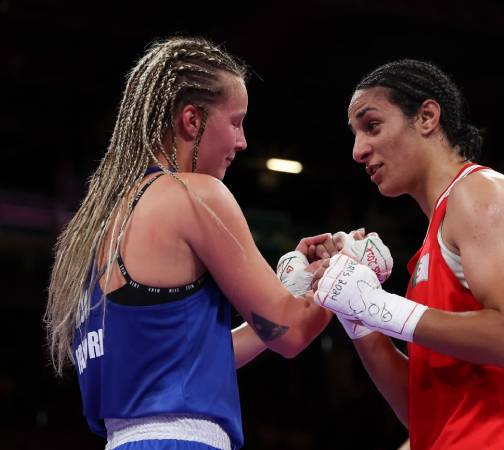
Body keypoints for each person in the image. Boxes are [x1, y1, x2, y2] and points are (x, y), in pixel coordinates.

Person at [44, 36, 333, 450]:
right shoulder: (196, 194)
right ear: (192, 120)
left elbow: (189, 358)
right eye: (235, 121)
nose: (242, 141)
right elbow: (291, 333)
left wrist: (296, 289)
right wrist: (347, 277)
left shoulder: (101, 225)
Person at [312, 59, 504, 450]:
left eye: (372, 126)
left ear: (426, 117)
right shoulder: (433, 246)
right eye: (355, 134)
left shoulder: (482, 194)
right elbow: (421, 413)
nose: (358, 150)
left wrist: (377, 304)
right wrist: (355, 314)